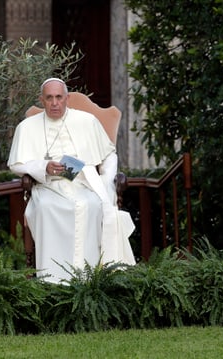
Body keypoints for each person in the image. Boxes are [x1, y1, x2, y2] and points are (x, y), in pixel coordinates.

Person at [8, 78, 135, 283]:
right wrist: (43, 167)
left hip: (84, 183)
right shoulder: (27, 127)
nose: (55, 103)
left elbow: (109, 154)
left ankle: (89, 278)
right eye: (49, 98)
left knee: (92, 205)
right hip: (48, 185)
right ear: (42, 100)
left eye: (59, 97)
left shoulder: (87, 121)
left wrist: (106, 181)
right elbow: (16, 164)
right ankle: (50, 280)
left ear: (67, 98)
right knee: (46, 208)